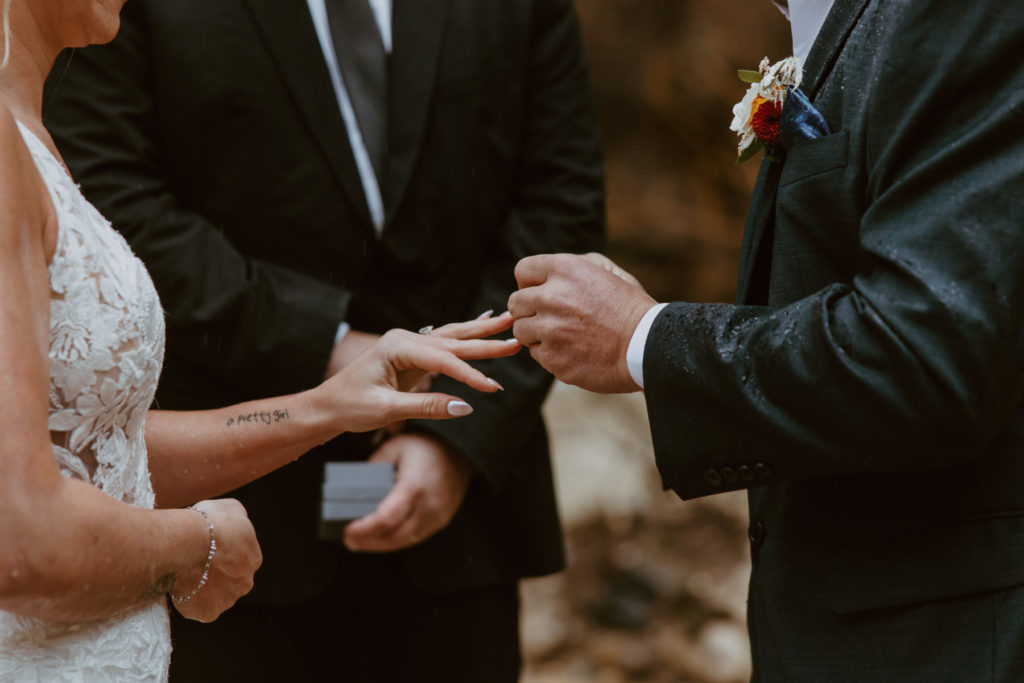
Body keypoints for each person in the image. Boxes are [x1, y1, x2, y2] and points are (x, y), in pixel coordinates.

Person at [44, 0, 604, 680]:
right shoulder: (109, 7)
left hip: (457, 529)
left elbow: (560, 206)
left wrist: (456, 427)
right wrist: (331, 344)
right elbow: (109, 203)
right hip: (230, 522)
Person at [509, 0, 1024, 680]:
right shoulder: (852, 23)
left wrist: (645, 339)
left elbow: (923, 354)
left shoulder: (957, 14)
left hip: (944, 639)